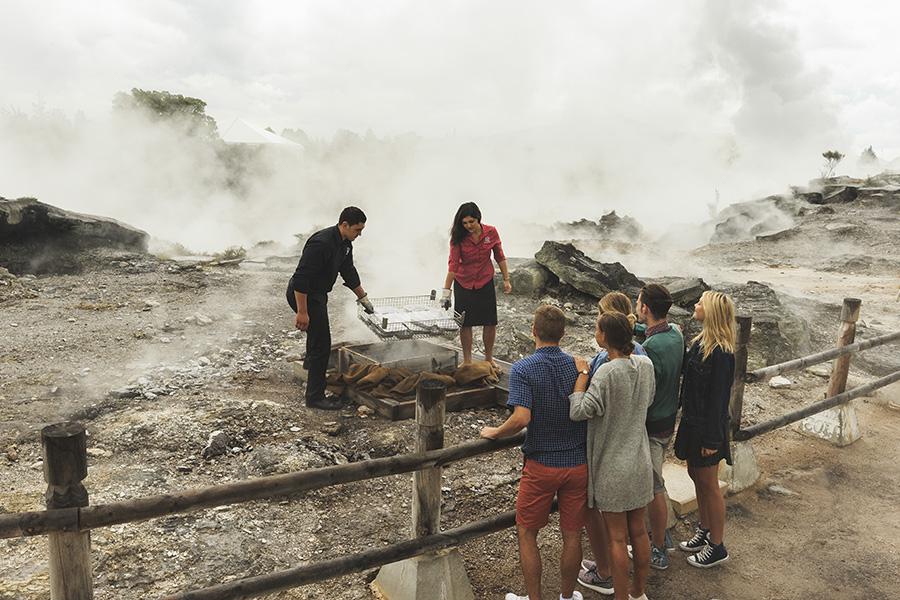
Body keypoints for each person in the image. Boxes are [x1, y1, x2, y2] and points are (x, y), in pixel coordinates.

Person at [480, 305, 587, 600]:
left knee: (527, 533)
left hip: (541, 464)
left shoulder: (524, 369)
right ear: (563, 334)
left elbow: (521, 418)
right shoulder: (578, 366)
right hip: (578, 463)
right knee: (573, 534)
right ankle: (567, 597)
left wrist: (495, 432)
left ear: (533, 331)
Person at [570, 312, 655, 600]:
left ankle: (620, 597)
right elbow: (649, 399)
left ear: (605, 336)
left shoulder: (606, 371)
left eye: (597, 329)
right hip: (640, 459)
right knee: (639, 532)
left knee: (617, 538)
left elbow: (579, 411)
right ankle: (638, 593)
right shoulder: (645, 364)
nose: (595, 332)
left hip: (612, 467)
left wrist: (582, 377)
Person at [286, 207, 374, 410]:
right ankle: (315, 397)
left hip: (317, 295)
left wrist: (363, 298)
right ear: (345, 225)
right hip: (304, 294)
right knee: (322, 344)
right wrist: (302, 312)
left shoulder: (345, 244)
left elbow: (348, 271)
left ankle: (310, 368)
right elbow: (301, 278)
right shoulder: (322, 243)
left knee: (317, 337)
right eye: (357, 230)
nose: (359, 234)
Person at [674, 290, 736, 568]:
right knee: (695, 475)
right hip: (692, 423)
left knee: (710, 485)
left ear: (711, 311)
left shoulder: (722, 353)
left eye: (701, 302)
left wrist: (713, 438)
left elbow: (719, 400)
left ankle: (718, 545)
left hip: (707, 428)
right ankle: (705, 529)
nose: (696, 305)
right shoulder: (700, 342)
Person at [633, 284, 684, 570]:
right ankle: (660, 533)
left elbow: (645, 391)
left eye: (638, 303)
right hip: (669, 420)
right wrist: (635, 329)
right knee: (656, 478)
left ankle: (659, 546)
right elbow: (655, 333)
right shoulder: (675, 333)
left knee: (654, 486)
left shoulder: (648, 350)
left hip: (651, 425)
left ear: (645, 309)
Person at [442, 202, 511, 366]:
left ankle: (488, 358)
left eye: (471, 222)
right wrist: (446, 291)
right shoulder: (458, 237)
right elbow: (453, 265)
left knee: (489, 321)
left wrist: (507, 279)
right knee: (465, 323)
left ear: (478, 218)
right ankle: (467, 360)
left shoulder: (491, 232)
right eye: (464, 223)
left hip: (485, 280)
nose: (468, 226)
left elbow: (499, 256)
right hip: (463, 282)